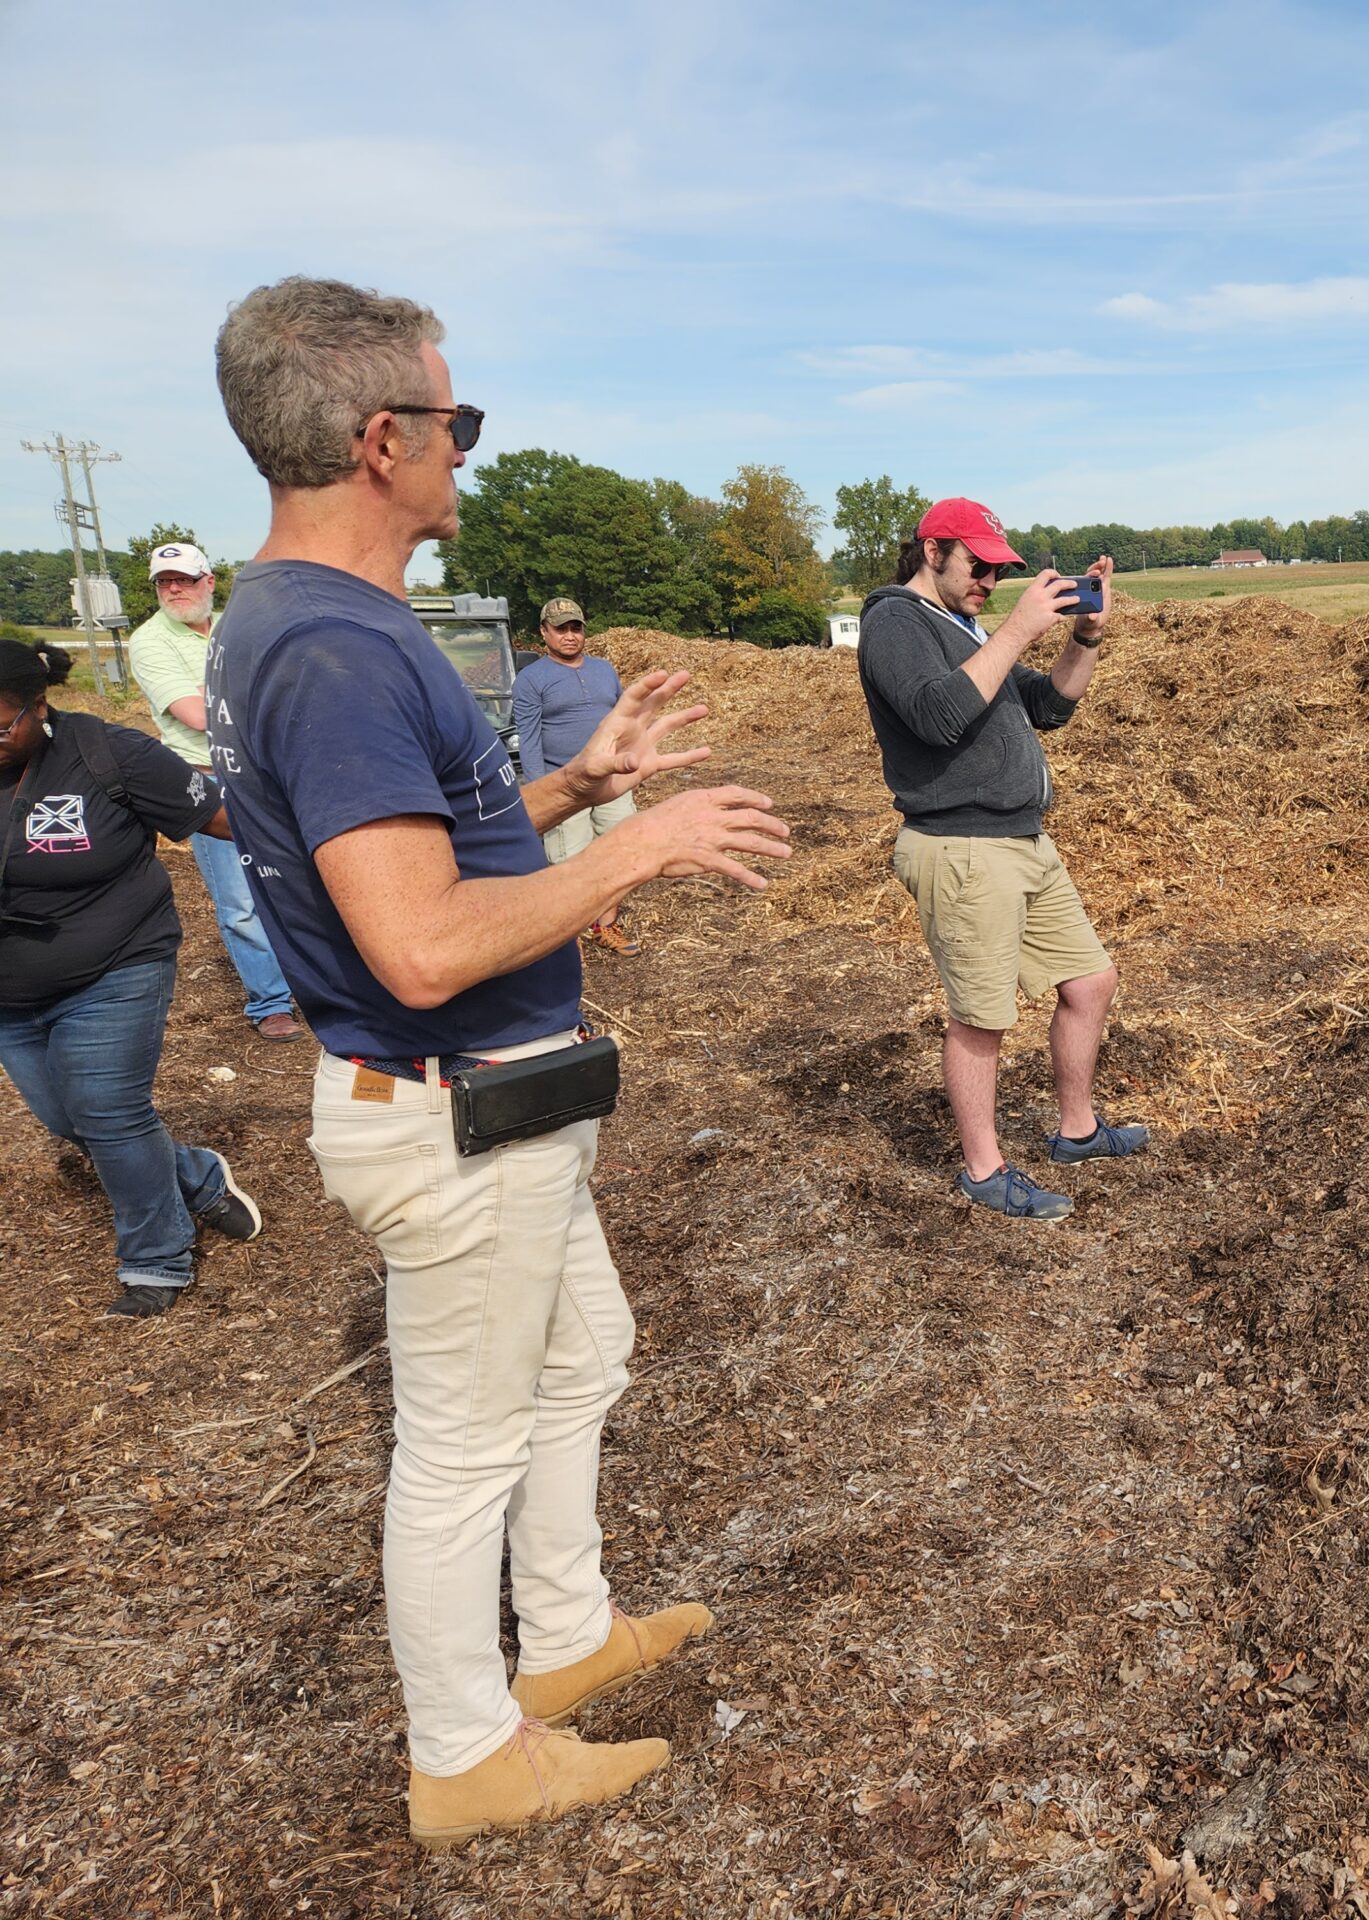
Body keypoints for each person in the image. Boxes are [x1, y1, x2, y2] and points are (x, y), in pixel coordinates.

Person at [206, 275, 791, 1846]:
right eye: (457, 422)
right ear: (380, 437)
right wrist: (639, 850)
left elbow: (417, 862)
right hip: (455, 1117)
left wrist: (578, 786)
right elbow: (414, 947)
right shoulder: (333, 648)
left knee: (582, 1361)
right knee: (460, 1448)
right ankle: (464, 1754)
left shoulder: (318, 625)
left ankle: (571, 1633)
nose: (469, 450)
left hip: (503, 1109)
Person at [858, 498, 1149, 1221]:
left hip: (1023, 841)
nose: (991, 577)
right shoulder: (894, 620)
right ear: (934, 552)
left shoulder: (963, 628)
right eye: (979, 564)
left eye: (1000, 569)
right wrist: (1018, 630)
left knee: (1090, 981)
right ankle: (984, 1172)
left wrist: (1083, 636)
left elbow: (1050, 705)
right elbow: (936, 716)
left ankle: (1076, 1131)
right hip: (961, 847)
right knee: (982, 1017)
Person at [0, 636, 264, 1317]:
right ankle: (197, 1176)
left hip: (115, 966)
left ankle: (156, 1257)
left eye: (1, 724)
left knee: (107, 1112)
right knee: (69, 1119)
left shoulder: (110, 755)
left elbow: (222, 817)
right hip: (11, 995)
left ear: (39, 705)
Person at [125, 538, 304, 1039]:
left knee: (297, 877)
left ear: (208, 581)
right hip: (204, 777)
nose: (173, 590)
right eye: (164, 582)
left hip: (268, 771)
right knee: (240, 898)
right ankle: (270, 1001)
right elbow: (199, 715)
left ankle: (318, 983)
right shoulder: (149, 641)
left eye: (182, 579)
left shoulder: (237, 625)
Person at [513, 597, 639, 955]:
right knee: (571, 862)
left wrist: (630, 764)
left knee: (618, 852)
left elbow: (621, 720)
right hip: (565, 781)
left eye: (575, 628)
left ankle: (605, 924)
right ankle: (568, 937)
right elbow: (530, 738)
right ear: (544, 632)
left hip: (611, 780)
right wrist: (545, 790)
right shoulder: (531, 679)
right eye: (560, 628)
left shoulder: (604, 670)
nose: (569, 635)